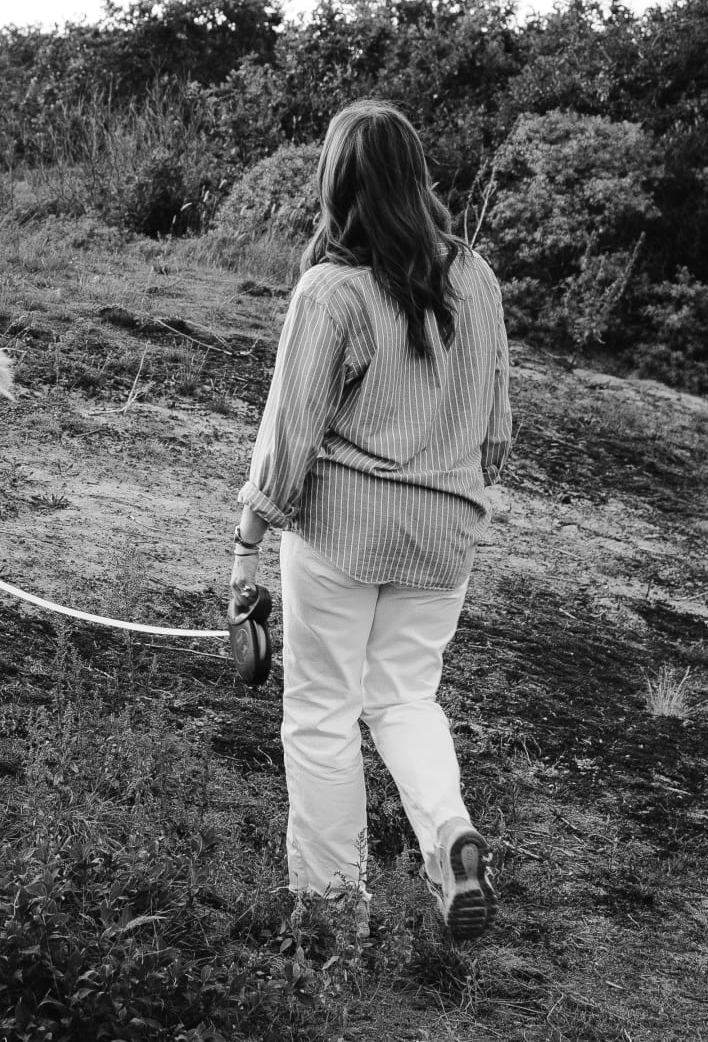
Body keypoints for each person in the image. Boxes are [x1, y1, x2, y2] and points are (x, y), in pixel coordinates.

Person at [228, 98, 511, 968]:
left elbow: (291, 432)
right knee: (404, 698)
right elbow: (498, 431)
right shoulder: (478, 277)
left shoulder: (333, 289)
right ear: (419, 179)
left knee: (320, 712)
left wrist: (247, 544)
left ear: (337, 184)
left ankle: (330, 920)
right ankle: (448, 835)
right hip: (444, 535)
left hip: (342, 534)